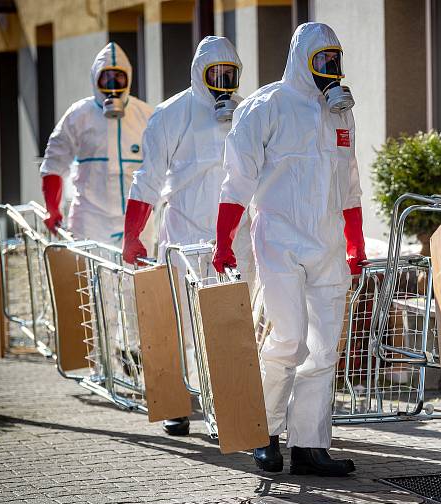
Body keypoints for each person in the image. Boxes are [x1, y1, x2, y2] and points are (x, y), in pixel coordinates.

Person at [212, 22, 365, 476]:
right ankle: (266, 433)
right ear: (302, 60)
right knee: (288, 339)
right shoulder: (266, 106)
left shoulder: (341, 113)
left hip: (328, 243)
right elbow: (236, 179)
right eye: (322, 61)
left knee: (322, 349)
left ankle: (310, 445)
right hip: (278, 239)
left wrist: (354, 241)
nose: (330, 70)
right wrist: (224, 239)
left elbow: (351, 183)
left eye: (335, 61)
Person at [122, 36, 255, 436]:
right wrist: (133, 234)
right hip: (184, 234)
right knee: (182, 321)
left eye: (229, 73)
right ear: (199, 73)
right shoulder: (170, 114)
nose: (222, 81)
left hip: (235, 235)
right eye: (214, 73)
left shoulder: (248, 113)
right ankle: (176, 402)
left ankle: (226, 411)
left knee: (231, 323)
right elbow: (147, 178)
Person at [40, 42, 155, 247]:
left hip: (136, 223)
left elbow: (163, 165)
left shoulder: (145, 115)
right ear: (95, 79)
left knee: (135, 278)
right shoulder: (78, 115)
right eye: (106, 77)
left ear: (128, 78)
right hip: (89, 221)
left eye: (119, 77)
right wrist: (52, 208)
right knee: (87, 278)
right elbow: (53, 163)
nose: (113, 84)